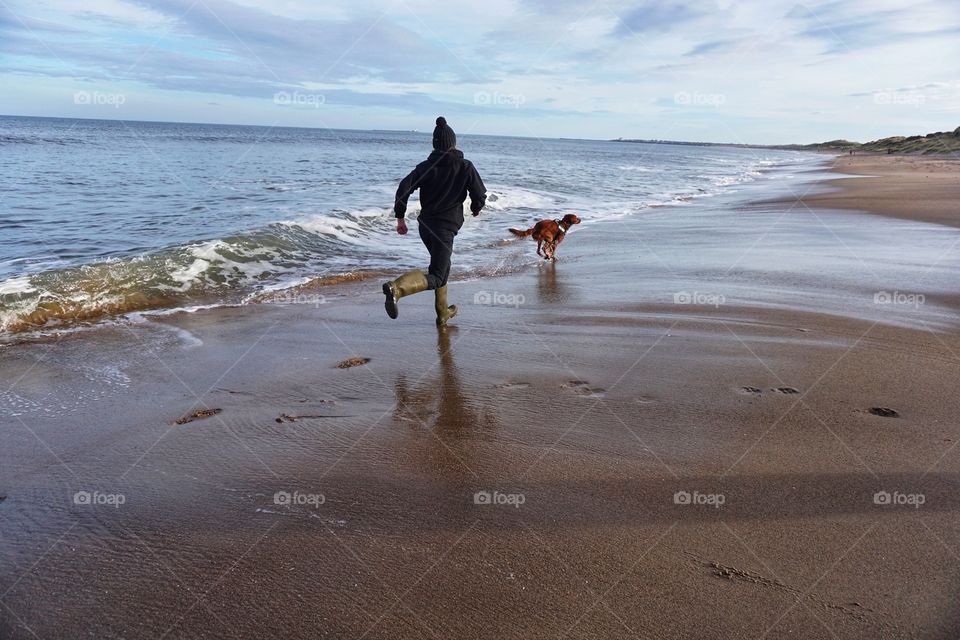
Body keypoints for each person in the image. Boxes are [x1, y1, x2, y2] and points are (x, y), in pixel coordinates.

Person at [382, 116, 487, 326]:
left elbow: (403, 189)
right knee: (438, 275)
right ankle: (397, 288)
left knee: (441, 267)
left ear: (435, 144)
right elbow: (480, 194)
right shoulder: (465, 166)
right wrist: (476, 208)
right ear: (453, 143)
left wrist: (400, 218)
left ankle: (443, 314)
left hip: (426, 227)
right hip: (445, 229)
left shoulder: (425, 167)